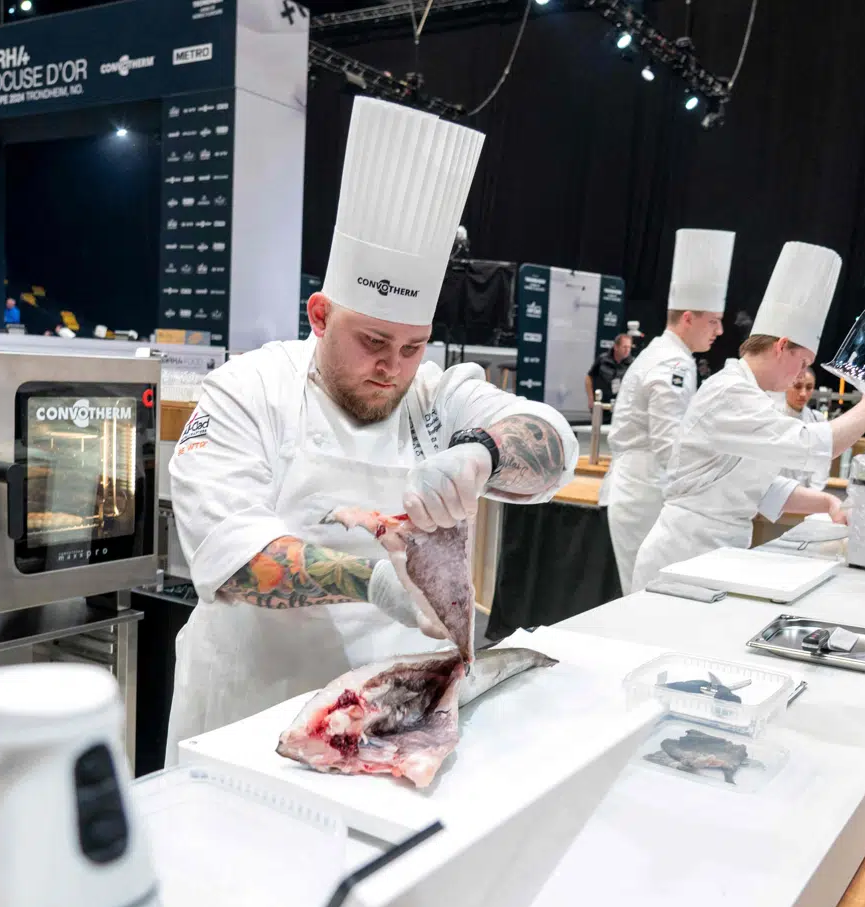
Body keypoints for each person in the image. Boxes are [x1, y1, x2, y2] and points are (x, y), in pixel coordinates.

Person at [164, 98, 578, 763]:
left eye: (413, 346)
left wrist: (485, 452)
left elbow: (553, 446)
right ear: (321, 314)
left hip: (389, 715)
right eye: (373, 340)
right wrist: (376, 581)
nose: (393, 366)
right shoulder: (248, 390)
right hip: (246, 714)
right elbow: (232, 557)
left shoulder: (435, 393)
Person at [631, 242, 865, 591]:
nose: (801, 377)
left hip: (718, 555)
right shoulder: (729, 392)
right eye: (802, 363)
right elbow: (812, 446)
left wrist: (828, 501)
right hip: (683, 554)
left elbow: (761, 488)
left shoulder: (752, 395)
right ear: (781, 345)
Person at [603, 228, 734, 594]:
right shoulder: (671, 364)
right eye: (713, 321)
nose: (720, 331)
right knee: (645, 594)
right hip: (645, 489)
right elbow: (668, 446)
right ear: (688, 318)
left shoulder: (672, 356)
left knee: (648, 591)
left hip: (643, 485)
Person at [778, 367, 832, 489]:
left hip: (808, 497)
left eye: (809, 387)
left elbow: (823, 462)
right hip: (776, 496)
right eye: (797, 386)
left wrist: (813, 493)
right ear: (786, 385)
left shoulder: (818, 420)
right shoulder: (774, 417)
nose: (803, 393)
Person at [585, 332, 633, 417]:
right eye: (624, 347)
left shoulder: (632, 364)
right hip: (601, 405)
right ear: (616, 347)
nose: (627, 350)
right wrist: (590, 398)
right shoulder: (602, 359)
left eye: (629, 347)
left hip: (621, 408)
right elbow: (589, 377)